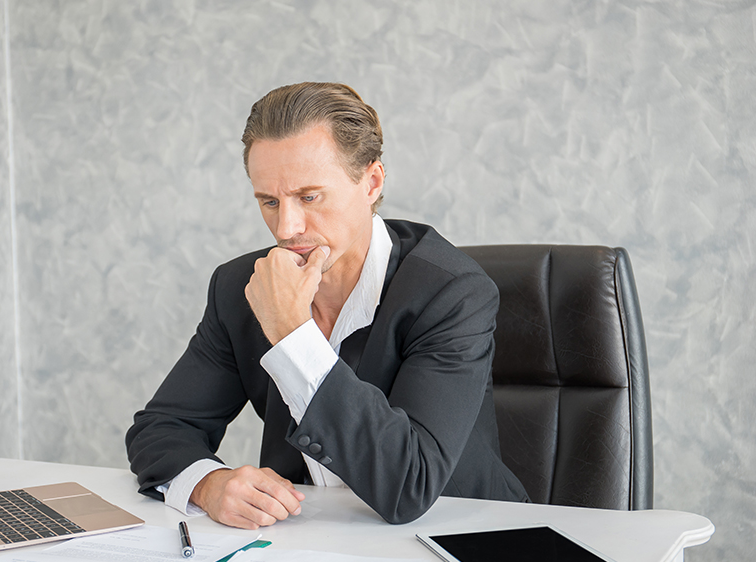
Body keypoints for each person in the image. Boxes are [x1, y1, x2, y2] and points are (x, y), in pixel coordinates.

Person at [125, 82, 528, 530]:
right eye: (270, 201)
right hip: (315, 534)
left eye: (309, 197)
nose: (287, 227)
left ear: (371, 182)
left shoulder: (452, 293)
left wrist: (292, 334)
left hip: (456, 535)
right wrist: (209, 482)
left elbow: (408, 484)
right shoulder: (241, 287)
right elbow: (159, 429)